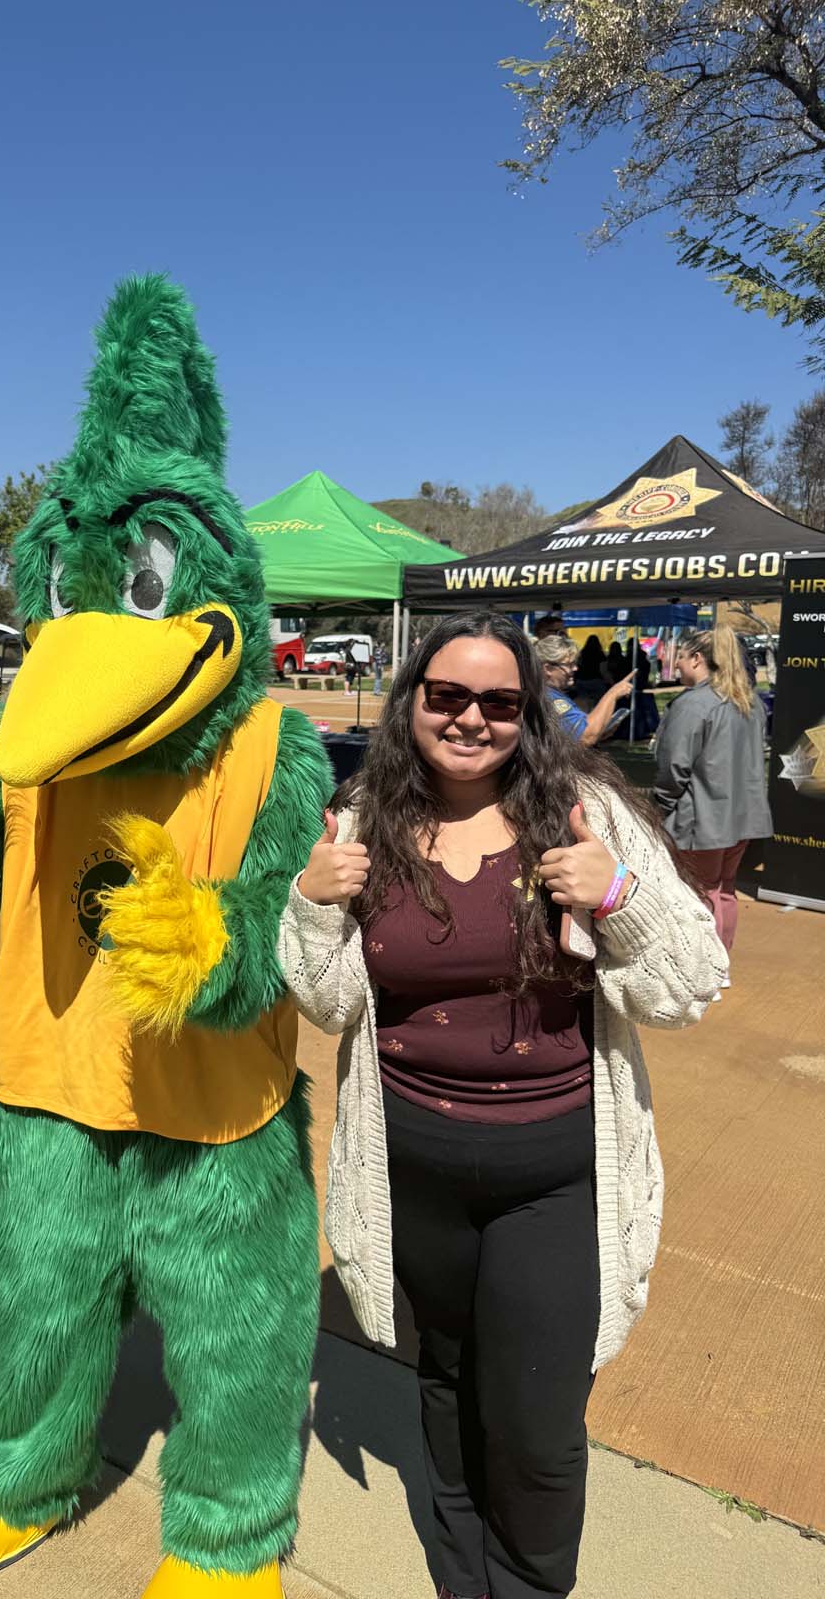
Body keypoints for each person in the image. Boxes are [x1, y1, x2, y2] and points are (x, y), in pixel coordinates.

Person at [278, 611, 724, 1599]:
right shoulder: (361, 824)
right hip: (415, 1167)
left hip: (552, 1176)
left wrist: (618, 900)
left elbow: (690, 988)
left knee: (537, 1424)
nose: (471, 718)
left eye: (499, 701)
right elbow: (329, 1002)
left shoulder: (587, 814)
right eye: (447, 695)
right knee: (443, 1384)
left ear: (527, 715)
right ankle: (462, 1571)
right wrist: (313, 902)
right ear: (411, 705)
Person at [653, 625, 773, 982]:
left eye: (681, 659)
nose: (677, 668)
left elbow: (674, 766)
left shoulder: (694, 703)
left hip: (702, 819)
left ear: (696, 658)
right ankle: (718, 968)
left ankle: (704, 970)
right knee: (723, 890)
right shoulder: (748, 702)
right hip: (741, 818)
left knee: (701, 894)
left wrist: (659, 807)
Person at [536, 635, 634, 746]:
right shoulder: (550, 699)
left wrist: (601, 728)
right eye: (569, 664)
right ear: (548, 668)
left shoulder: (552, 694)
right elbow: (586, 737)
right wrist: (612, 694)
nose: (575, 668)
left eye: (575, 663)